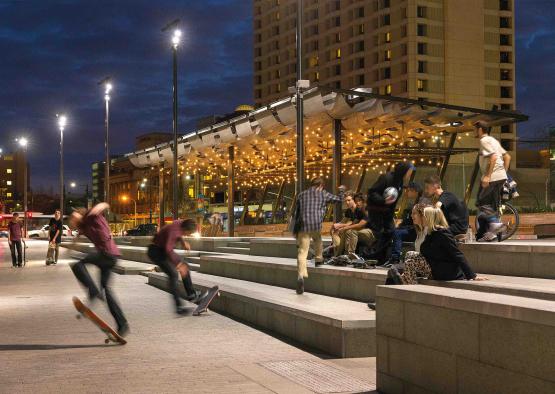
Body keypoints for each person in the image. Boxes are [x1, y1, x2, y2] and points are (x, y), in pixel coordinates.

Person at [368, 205, 486, 309]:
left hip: (443, 271)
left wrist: (472, 275)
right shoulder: (431, 232)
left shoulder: (442, 233)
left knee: (409, 263)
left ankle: (411, 295)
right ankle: (384, 300)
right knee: (398, 266)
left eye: (424, 216)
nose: (422, 217)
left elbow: (457, 254)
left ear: (429, 218)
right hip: (432, 266)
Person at [69, 203, 129, 336]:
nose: (74, 220)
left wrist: (99, 207)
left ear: (81, 213)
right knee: (107, 291)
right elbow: (77, 237)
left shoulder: (91, 216)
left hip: (107, 254)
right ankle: (122, 324)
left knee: (78, 265)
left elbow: (105, 204)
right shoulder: (83, 226)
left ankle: (93, 291)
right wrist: (73, 244)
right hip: (109, 258)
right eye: (72, 219)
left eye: (75, 217)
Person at [293, 177, 345, 294]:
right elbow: (339, 200)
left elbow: (297, 213)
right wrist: (341, 190)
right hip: (315, 225)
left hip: (303, 226)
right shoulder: (323, 194)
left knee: (302, 252)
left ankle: (300, 276)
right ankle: (318, 259)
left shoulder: (302, 195)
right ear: (321, 185)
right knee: (318, 240)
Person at [147, 218, 206, 314]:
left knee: (185, 266)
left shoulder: (180, 223)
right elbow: (168, 249)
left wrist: (183, 242)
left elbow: (179, 232)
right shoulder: (173, 232)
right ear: (185, 230)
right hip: (155, 251)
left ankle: (191, 295)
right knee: (173, 274)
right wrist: (178, 264)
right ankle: (179, 307)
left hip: (161, 249)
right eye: (187, 233)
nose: (187, 235)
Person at [366, 162, 414, 264]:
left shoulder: (400, 182)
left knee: (390, 232)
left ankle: (379, 259)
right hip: (377, 213)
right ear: (403, 171)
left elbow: (393, 201)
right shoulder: (386, 178)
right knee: (381, 234)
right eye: (409, 172)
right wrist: (383, 201)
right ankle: (369, 256)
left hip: (387, 214)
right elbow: (372, 192)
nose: (410, 174)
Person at [475, 122, 511, 241]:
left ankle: (495, 224)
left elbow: (493, 157)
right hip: (500, 177)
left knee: (481, 202)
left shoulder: (484, 140)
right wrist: (503, 174)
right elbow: (507, 157)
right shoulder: (494, 141)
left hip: (493, 177)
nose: (475, 132)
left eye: (475, 129)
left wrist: (488, 176)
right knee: (490, 206)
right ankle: (490, 234)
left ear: (480, 129)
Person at [387, 182, 425, 266]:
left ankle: (395, 258)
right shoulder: (415, 201)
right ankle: (388, 257)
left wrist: (401, 224)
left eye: (409, 191)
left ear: (415, 191)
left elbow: (416, 220)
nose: (407, 193)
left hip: (417, 230)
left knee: (397, 233)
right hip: (412, 227)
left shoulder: (420, 203)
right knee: (391, 231)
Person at [331, 192, 374, 257]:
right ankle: (340, 255)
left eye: (359, 201)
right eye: (356, 201)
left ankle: (349, 255)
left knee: (351, 231)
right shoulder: (358, 210)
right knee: (346, 231)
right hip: (364, 232)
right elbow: (353, 222)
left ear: (363, 201)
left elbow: (360, 224)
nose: (357, 203)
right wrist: (339, 227)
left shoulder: (367, 210)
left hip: (373, 233)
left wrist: (344, 227)